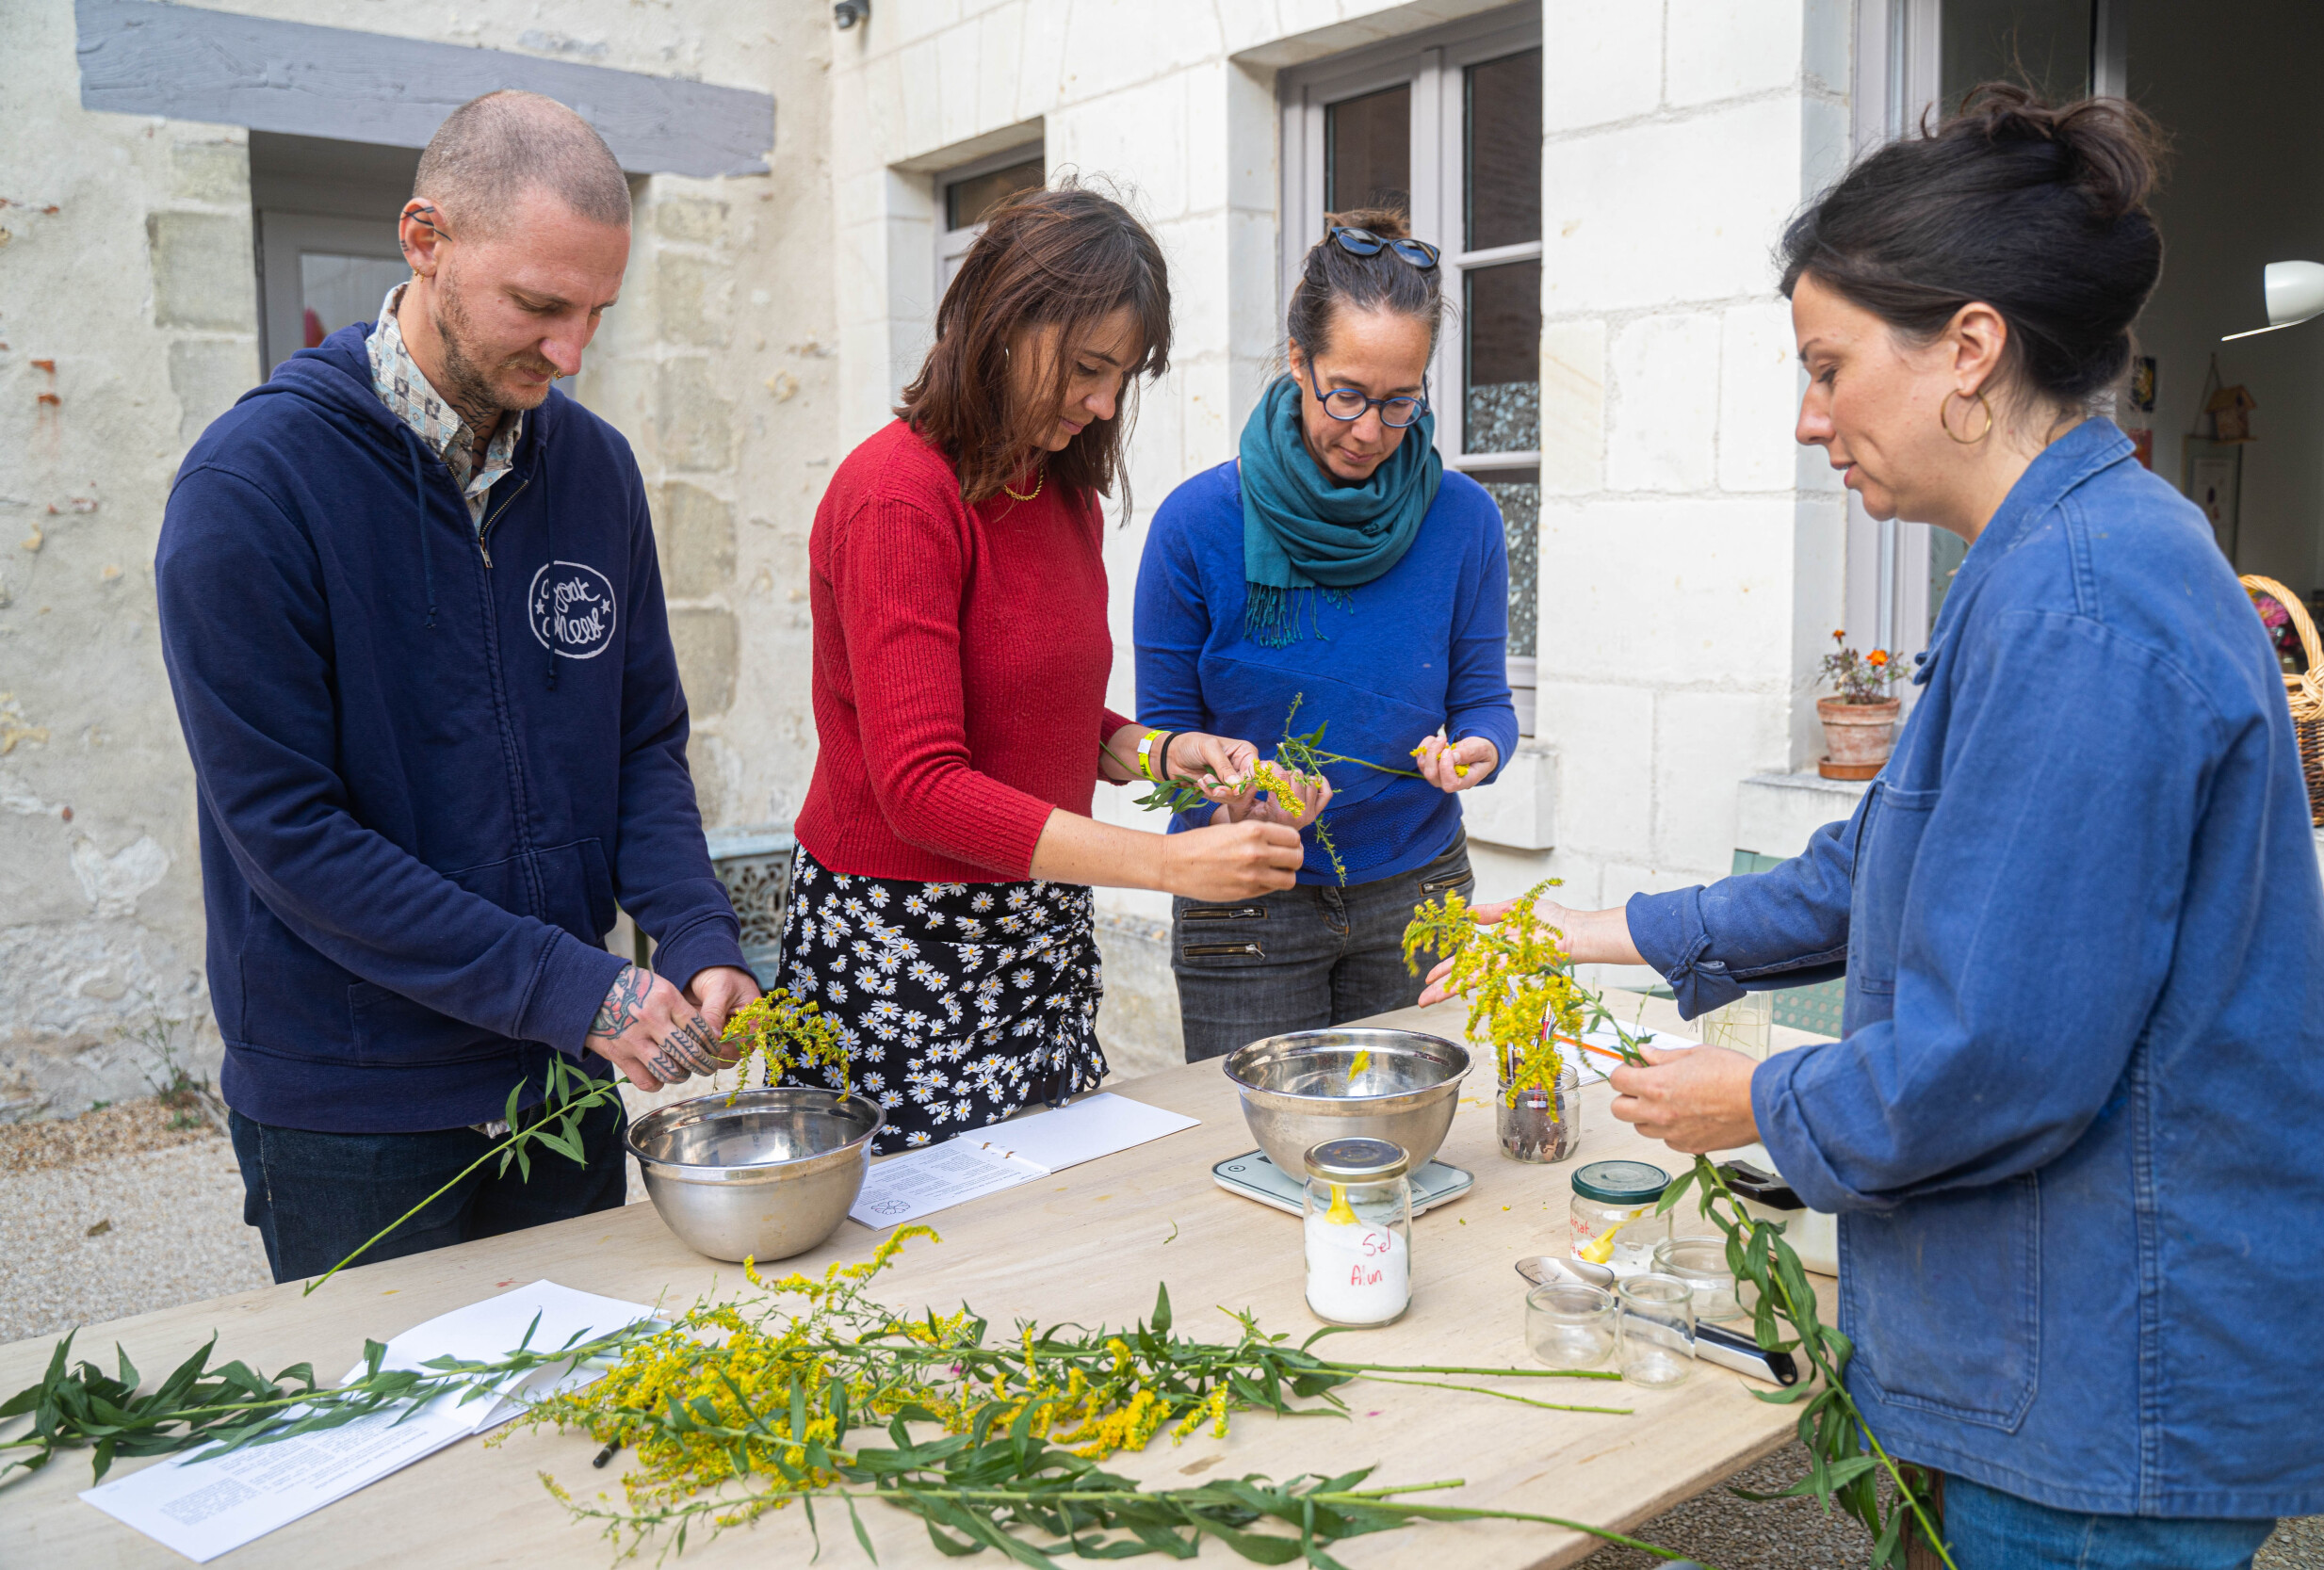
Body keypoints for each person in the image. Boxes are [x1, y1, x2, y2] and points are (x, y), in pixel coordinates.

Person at [1424, 87, 2324, 1566]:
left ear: (1969, 349)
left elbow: (2002, 1057)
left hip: (2111, 1381)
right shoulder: (2047, 557)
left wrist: (1753, 1101)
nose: (1809, 418)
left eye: (1827, 365)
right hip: (2067, 1348)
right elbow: (1891, 858)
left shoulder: (2083, 607)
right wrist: (1575, 929)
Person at [156, 92, 758, 1284]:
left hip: (564, 1078)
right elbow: (290, 832)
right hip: (353, 1105)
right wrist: (580, 986)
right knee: (392, 1452)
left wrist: (692, 929)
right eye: (539, 304)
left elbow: (640, 741)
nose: (572, 351)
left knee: (588, 1437)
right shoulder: (250, 490)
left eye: (597, 311)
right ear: (424, 240)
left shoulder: (595, 471)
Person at [783, 182, 1304, 1150]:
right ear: (1001, 324)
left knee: (1051, 1222)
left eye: (1123, 376)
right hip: (903, 944)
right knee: (924, 1261)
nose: (1105, 401)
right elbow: (922, 786)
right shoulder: (897, 495)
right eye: (1087, 368)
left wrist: (1160, 751)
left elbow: (1033, 705)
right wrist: (1166, 861)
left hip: (1036, 930)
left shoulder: (1058, 495)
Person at [1135, 210, 1516, 1061]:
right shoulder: (1198, 524)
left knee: (1418, 1150)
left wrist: (1482, 748)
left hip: (1418, 890)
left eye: (1400, 401)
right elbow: (1158, 729)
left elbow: (1485, 700)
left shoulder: (1465, 520)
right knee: (1252, 1155)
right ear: (1298, 362)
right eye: (1346, 393)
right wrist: (1230, 798)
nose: (1371, 431)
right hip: (1244, 895)